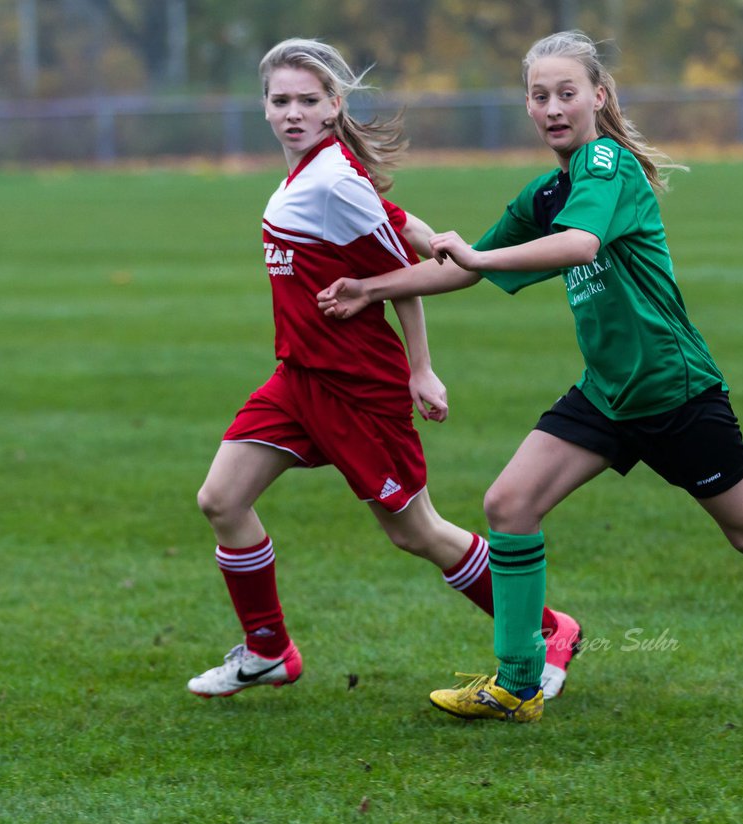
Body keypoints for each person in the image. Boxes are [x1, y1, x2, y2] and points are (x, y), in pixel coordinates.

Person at [317, 30, 743, 723]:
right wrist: (370, 288)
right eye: (539, 96)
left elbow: (577, 245)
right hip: (607, 393)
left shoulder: (607, 164)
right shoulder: (550, 191)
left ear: (599, 96)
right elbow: (466, 261)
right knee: (510, 503)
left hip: (674, 390)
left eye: (567, 92)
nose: (552, 107)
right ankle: (518, 684)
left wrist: (477, 263)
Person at [187, 37, 584, 700]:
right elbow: (402, 227)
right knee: (222, 500)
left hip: (357, 387)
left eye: (307, 101)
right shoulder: (319, 173)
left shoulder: (333, 180)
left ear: (333, 105)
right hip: (299, 378)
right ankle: (268, 651)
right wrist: (430, 235)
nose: (292, 112)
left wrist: (419, 370)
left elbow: (399, 272)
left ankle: (549, 631)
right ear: (263, 108)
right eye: (280, 100)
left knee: (417, 532)